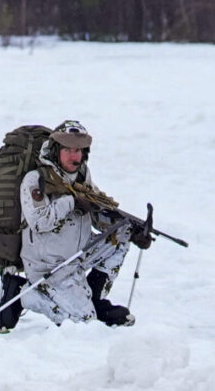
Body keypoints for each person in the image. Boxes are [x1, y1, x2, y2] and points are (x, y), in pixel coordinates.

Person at [18, 120, 149, 327]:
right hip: (50, 267)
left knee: (122, 233)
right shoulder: (35, 179)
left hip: (77, 256)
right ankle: (32, 295)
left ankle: (94, 300)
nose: (74, 156)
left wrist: (133, 232)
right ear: (55, 150)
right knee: (84, 325)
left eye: (79, 150)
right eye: (68, 150)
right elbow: (39, 222)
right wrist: (72, 202)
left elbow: (97, 217)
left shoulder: (81, 176)